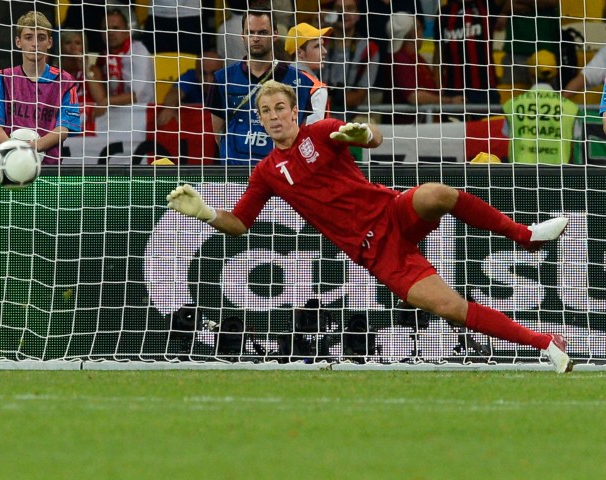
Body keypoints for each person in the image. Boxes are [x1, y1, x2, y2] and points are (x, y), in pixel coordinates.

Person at [166, 80, 574, 373]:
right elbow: (239, 224)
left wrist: (367, 134)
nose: (273, 117)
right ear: (260, 119)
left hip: (391, 211)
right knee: (450, 308)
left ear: (294, 111)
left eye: (279, 109)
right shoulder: (266, 173)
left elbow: (370, 137)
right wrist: (206, 213)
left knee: (436, 192)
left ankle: (525, 237)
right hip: (375, 252)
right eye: (265, 112)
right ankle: (546, 344)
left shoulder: (322, 132)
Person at [0, 11, 81, 163]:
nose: (35, 43)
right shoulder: (2, 78)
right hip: (11, 164)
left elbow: (64, 128)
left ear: (50, 42)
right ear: (18, 42)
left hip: (50, 168)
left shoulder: (65, 80)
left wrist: (33, 148)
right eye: (28, 37)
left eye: (41, 38)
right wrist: (15, 150)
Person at [205, 4, 289, 164]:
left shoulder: (298, 81)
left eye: (263, 32)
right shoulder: (222, 79)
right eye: (250, 32)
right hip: (235, 175)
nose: (256, 38)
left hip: (280, 175)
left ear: (275, 35)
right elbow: (218, 133)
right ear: (242, 35)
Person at [438, 0, 499, 108]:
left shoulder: (487, 4)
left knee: (487, 131)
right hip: (453, 90)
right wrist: (438, 88)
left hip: (485, 89)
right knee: (453, 132)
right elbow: (438, 54)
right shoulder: (444, 12)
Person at [502, 50, 580, 164]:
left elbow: (507, 138)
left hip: (521, 176)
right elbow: (574, 146)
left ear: (530, 74)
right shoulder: (570, 108)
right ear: (556, 74)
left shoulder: (512, 105)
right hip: (558, 177)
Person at [320, 0, 380, 118]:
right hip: (319, 115)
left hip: (354, 117)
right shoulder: (319, 44)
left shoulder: (369, 49)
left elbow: (358, 97)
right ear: (331, 14)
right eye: (338, 9)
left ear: (358, 15)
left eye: (350, 8)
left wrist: (323, 99)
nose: (344, 13)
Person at [388, 12, 461, 117]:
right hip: (410, 127)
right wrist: (450, 101)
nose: (422, 33)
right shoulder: (400, 59)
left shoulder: (416, 58)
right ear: (412, 33)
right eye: (420, 29)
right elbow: (414, 96)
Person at [102, 7, 155, 137]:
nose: (110, 33)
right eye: (106, 29)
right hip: (113, 117)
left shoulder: (138, 52)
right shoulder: (103, 56)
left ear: (127, 31)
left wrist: (105, 102)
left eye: (116, 28)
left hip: (139, 117)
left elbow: (137, 95)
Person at [282, 22, 331, 126]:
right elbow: (312, 132)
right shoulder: (316, 88)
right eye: (317, 46)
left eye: (323, 45)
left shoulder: (276, 78)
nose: (324, 51)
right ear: (299, 53)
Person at [59, 29, 106, 136]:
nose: (73, 47)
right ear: (61, 47)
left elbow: (100, 99)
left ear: (83, 48)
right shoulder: (54, 72)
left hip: (89, 128)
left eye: (77, 43)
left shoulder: (92, 70)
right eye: (68, 43)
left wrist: (85, 70)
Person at [157, 49, 221, 127]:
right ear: (196, 73)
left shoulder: (230, 82)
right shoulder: (190, 77)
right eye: (203, 73)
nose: (207, 80)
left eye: (213, 74)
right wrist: (169, 107)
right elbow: (175, 92)